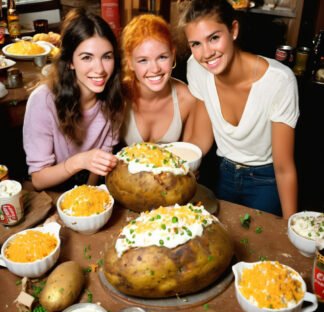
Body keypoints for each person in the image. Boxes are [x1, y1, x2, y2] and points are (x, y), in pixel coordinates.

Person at [178, 0, 299, 219]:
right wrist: (181, 167)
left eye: (214, 38)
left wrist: (290, 228)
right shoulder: (196, 68)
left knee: (262, 248)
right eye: (195, 44)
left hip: (266, 180)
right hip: (222, 174)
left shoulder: (279, 81)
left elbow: (284, 167)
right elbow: (201, 136)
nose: (206, 53)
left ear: (233, 30)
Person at [23, 8, 124, 191]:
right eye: (87, 57)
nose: (99, 69)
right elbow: (38, 179)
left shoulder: (115, 97)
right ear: (70, 61)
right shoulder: (42, 101)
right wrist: (80, 161)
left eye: (106, 57)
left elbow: (100, 163)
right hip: (51, 195)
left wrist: (86, 194)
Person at [120, 14, 196, 145]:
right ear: (130, 63)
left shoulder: (187, 99)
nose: (155, 69)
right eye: (143, 60)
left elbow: (190, 154)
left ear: (172, 55)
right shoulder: (118, 96)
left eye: (162, 57)